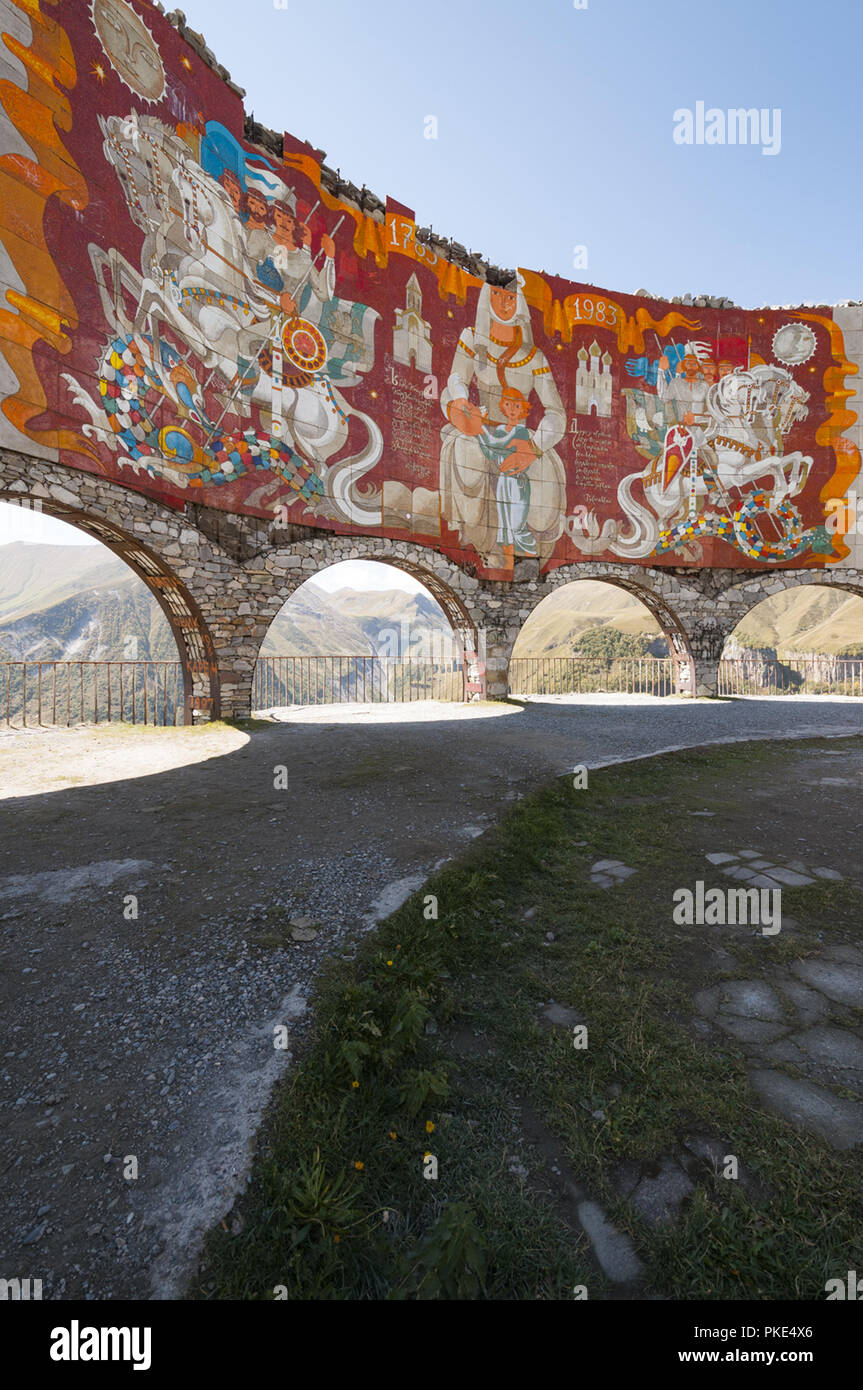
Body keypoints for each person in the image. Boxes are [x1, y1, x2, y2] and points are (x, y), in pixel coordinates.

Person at [439, 278, 567, 570]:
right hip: (480, 428)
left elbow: (557, 414)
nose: (504, 304)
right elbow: (455, 381)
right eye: (497, 295)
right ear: (487, 297)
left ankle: (522, 544)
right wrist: (459, 406)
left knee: (541, 471)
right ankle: (479, 547)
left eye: (510, 298)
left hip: (520, 435)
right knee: (463, 449)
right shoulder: (472, 339)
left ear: (520, 302)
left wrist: (533, 447)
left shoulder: (535, 357)